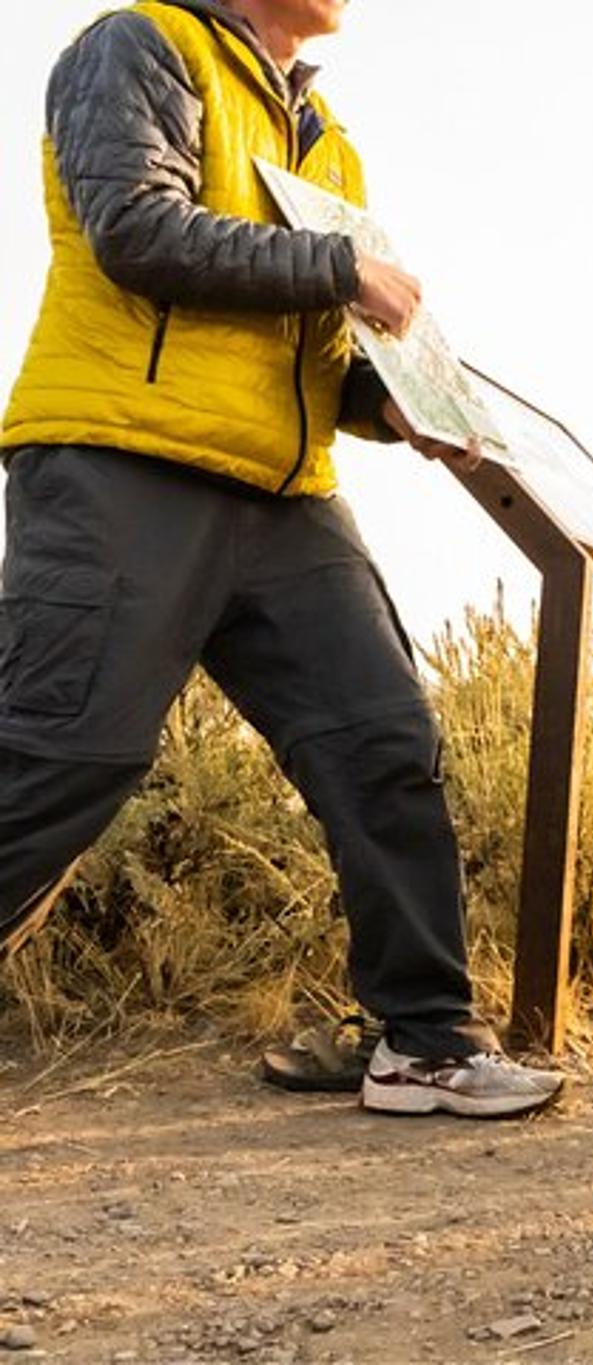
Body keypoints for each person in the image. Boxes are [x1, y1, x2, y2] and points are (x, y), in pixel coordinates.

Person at [0, 0, 563, 1117]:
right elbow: (136, 230)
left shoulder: (328, 136)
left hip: (285, 496)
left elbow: (311, 342)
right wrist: (339, 264)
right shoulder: (142, 42)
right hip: (125, 461)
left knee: (383, 742)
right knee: (65, 758)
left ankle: (426, 1041)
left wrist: (392, 404)